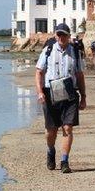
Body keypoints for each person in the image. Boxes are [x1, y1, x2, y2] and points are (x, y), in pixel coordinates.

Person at [35, 23, 87, 174]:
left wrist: (83, 97)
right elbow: (39, 72)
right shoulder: (48, 50)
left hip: (70, 93)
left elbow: (79, 75)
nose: (61, 37)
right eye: (58, 34)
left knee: (67, 127)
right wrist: (40, 92)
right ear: (55, 35)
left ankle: (64, 161)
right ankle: (51, 151)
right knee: (51, 130)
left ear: (69, 36)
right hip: (50, 92)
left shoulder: (75, 52)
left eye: (64, 34)